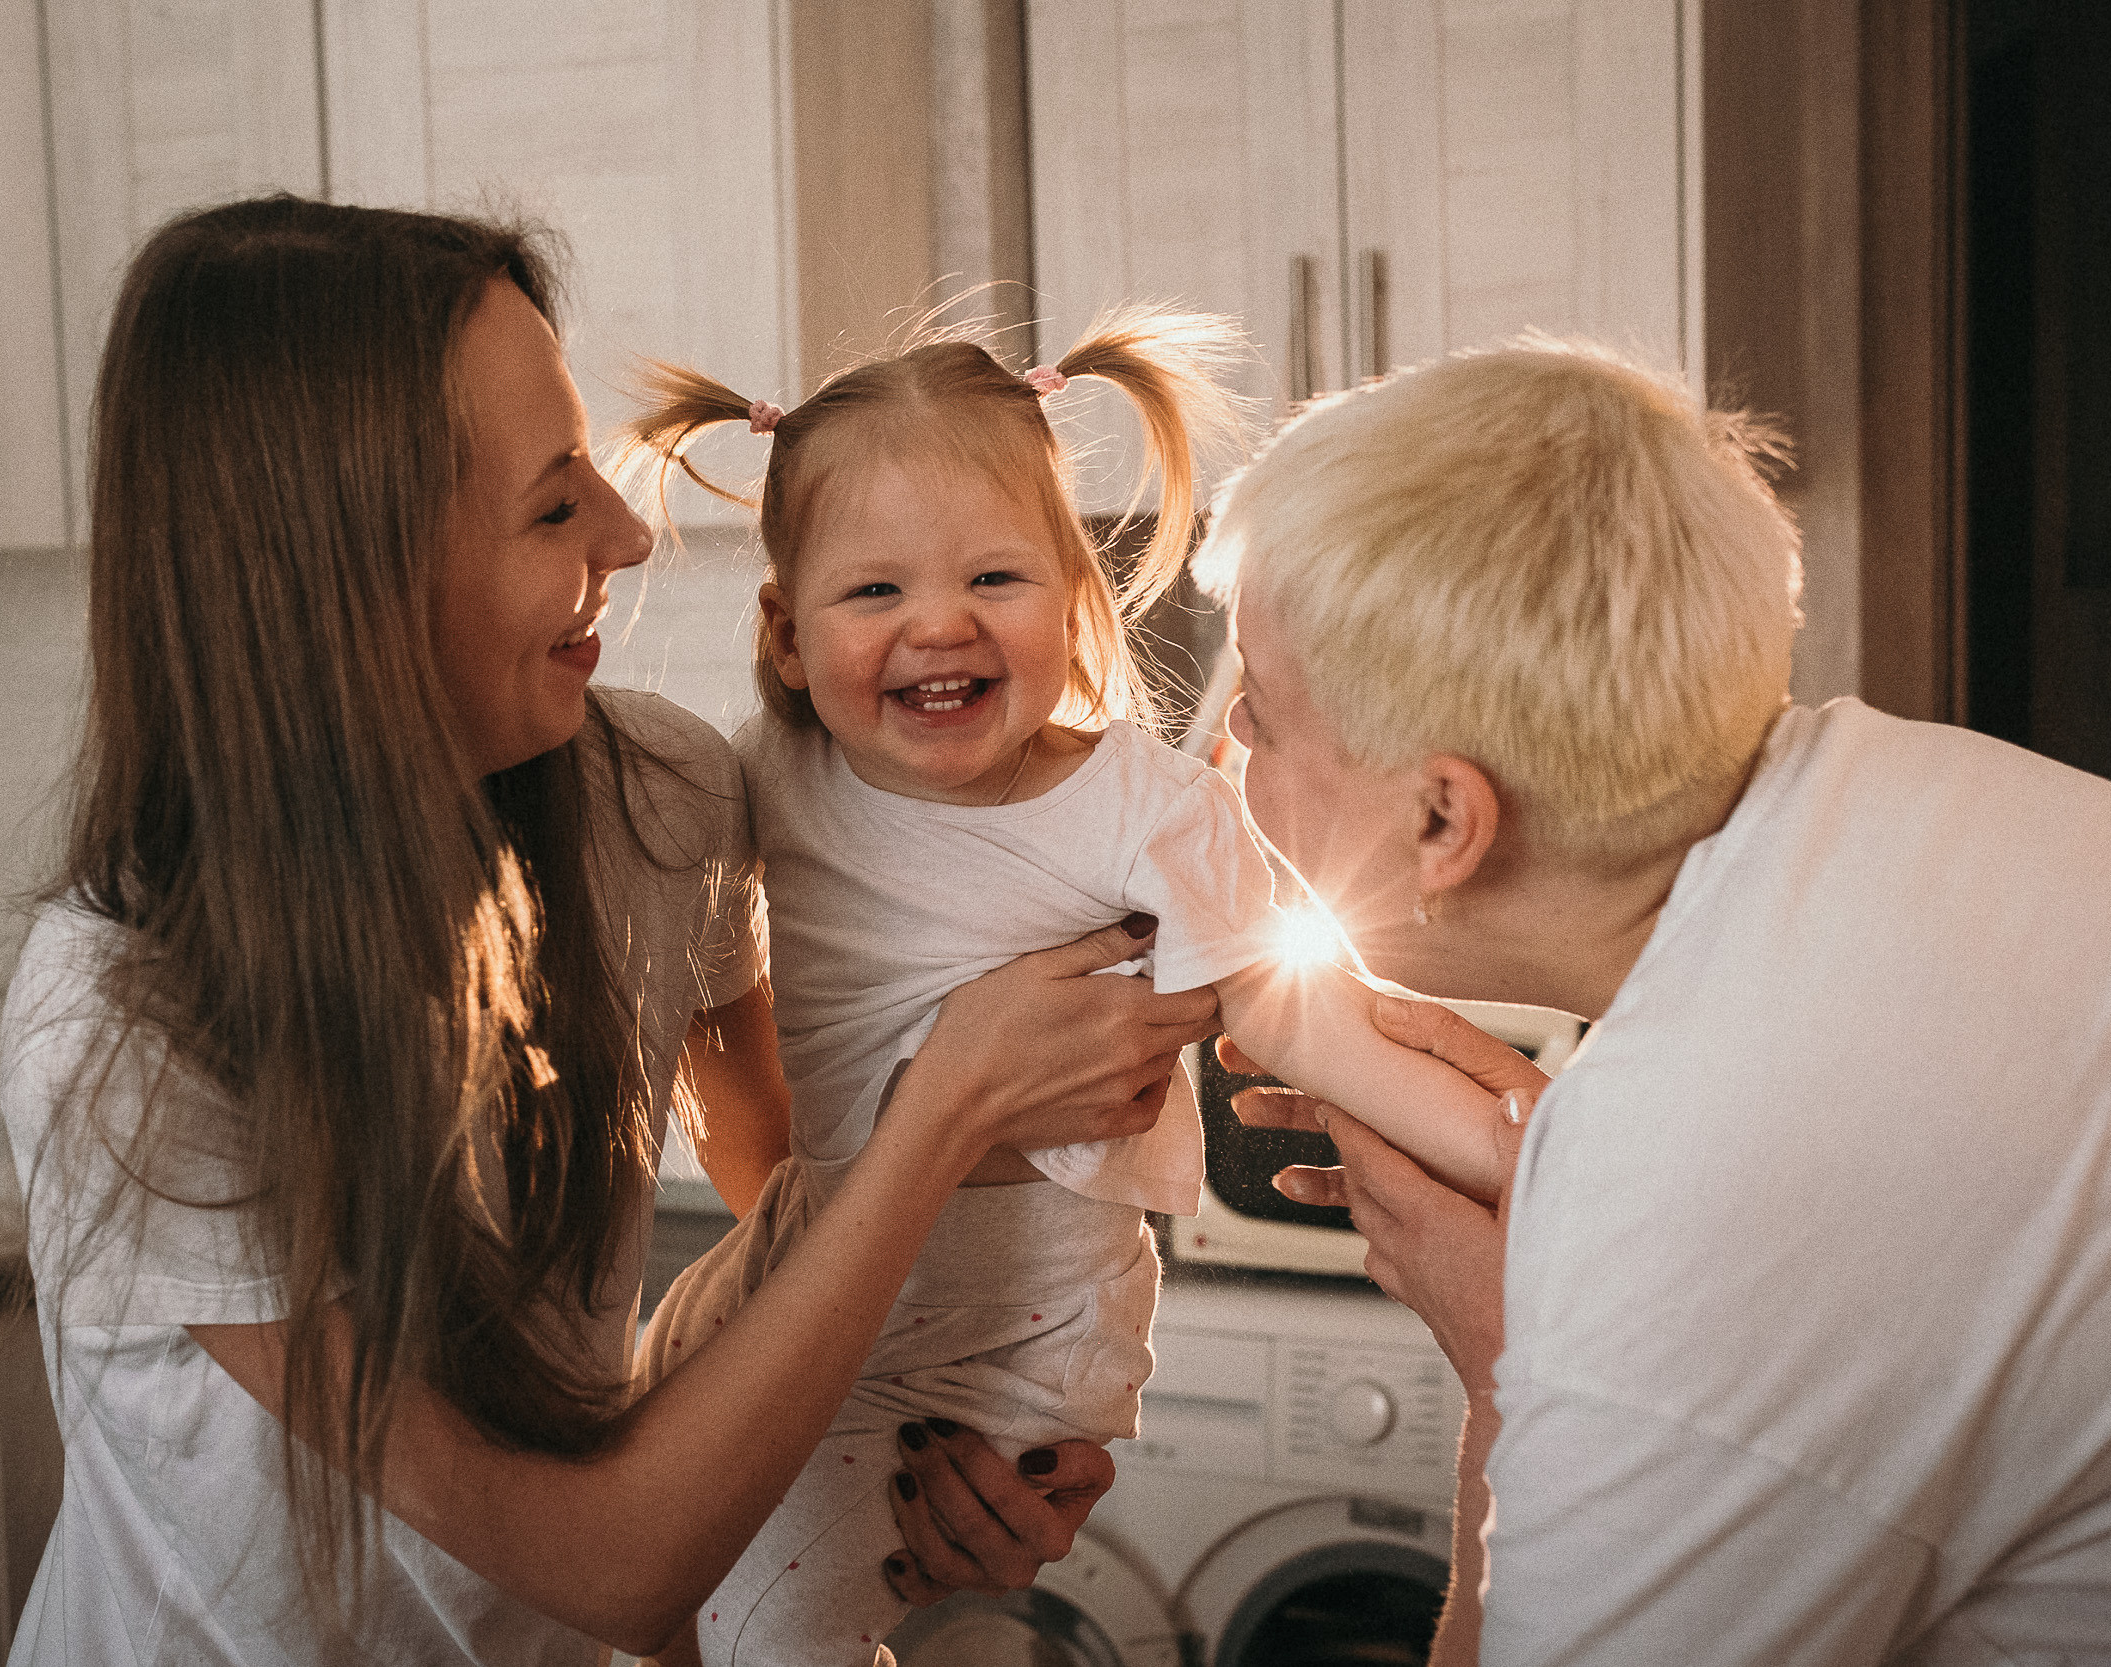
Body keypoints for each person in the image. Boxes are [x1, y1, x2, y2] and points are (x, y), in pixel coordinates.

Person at [0, 195, 1223, 1667]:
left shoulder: (659, 798)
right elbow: (615, 1569)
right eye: (553, 500)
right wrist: (953, 1103)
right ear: (351, 577)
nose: (634, 535)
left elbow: (782, 1164)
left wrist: (936, 1405)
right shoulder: (126, 1023)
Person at [1194, 336, 2111, 1663]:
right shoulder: (1920, 788)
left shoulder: (1700, 1198)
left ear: (1443, 821)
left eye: (1260, 710)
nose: (1228, 748)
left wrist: (1512, 1371)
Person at [615, 313, 1509, 1666]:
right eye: (874, 593)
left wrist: (1532, 1161)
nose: (939, 622)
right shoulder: (767, 777)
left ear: (1075, 594)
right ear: (787, 636)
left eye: (995, 576)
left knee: (763, 1646)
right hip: (798, 1260)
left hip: (1002, 1327)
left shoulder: (1141, 810)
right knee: (631, 1565)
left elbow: (1291, 1017)